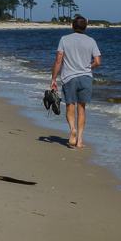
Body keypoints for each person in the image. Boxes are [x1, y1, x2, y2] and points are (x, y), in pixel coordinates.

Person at [49, 15, 101, 149]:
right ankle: (79, 140)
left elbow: (58, 60)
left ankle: (72, 129)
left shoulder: (64, 39)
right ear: (85, 27)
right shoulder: (91, 41)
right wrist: (88, 67)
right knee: (82, 108)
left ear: (72, 26)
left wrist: (54, 79)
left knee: (70, 106)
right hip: (85, 77)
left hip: (69, 77)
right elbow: (97, 62)